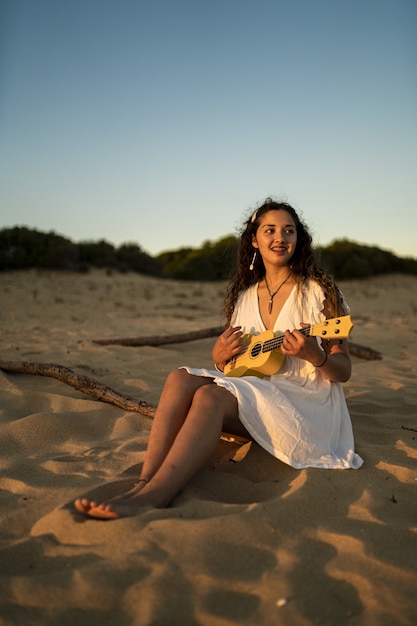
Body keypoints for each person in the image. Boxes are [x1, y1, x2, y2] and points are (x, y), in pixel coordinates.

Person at [75, 198, 363, 519]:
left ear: (299, 239)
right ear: (254, 239)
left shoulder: (320, 294)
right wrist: (219, 357)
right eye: (270, 230)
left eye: (289, 231)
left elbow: (343, 371)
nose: (280, 238)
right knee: (179, 378)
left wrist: (315, 355)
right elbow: (237, 367)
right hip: (259, 399)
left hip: (304, 408)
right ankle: (144, 481)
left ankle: (155, 496)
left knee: (211, 396)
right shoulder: (245, 297)